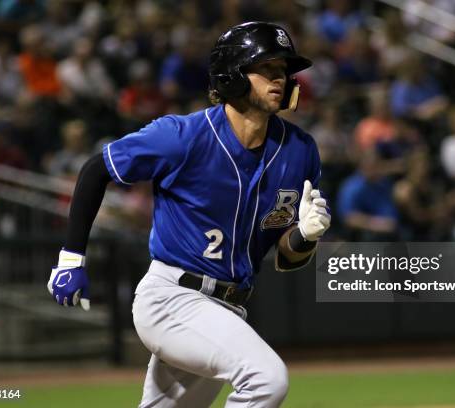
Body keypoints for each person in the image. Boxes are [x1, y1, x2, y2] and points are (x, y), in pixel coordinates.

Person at [46, 22, 330, 408]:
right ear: (232, 75)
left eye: (284, 70)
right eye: (267, 68)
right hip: (172, 298)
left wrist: (306, 236)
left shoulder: (300, 151)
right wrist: (71, 257)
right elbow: (97, 169)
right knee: (266, 380)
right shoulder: (183, 136)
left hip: (229, 307)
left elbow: (286, 257)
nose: (279, 78)